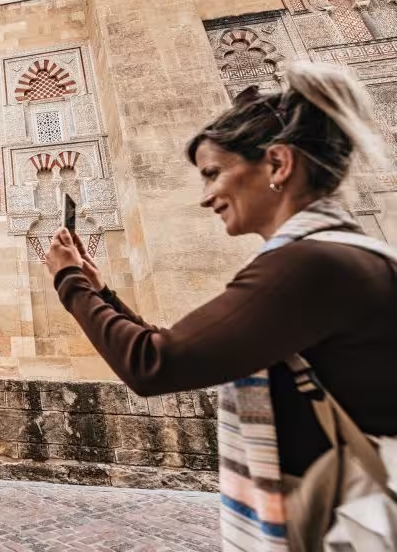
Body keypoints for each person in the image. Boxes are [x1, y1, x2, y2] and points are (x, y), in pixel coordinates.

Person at [45, 63, 397, 551]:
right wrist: (102, 296)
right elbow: (187, 345)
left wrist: (67, 280)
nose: (207, 196)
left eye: (213, 174)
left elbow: (153, 363)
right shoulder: (338, 254)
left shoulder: (311, 265)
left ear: (277, 165)